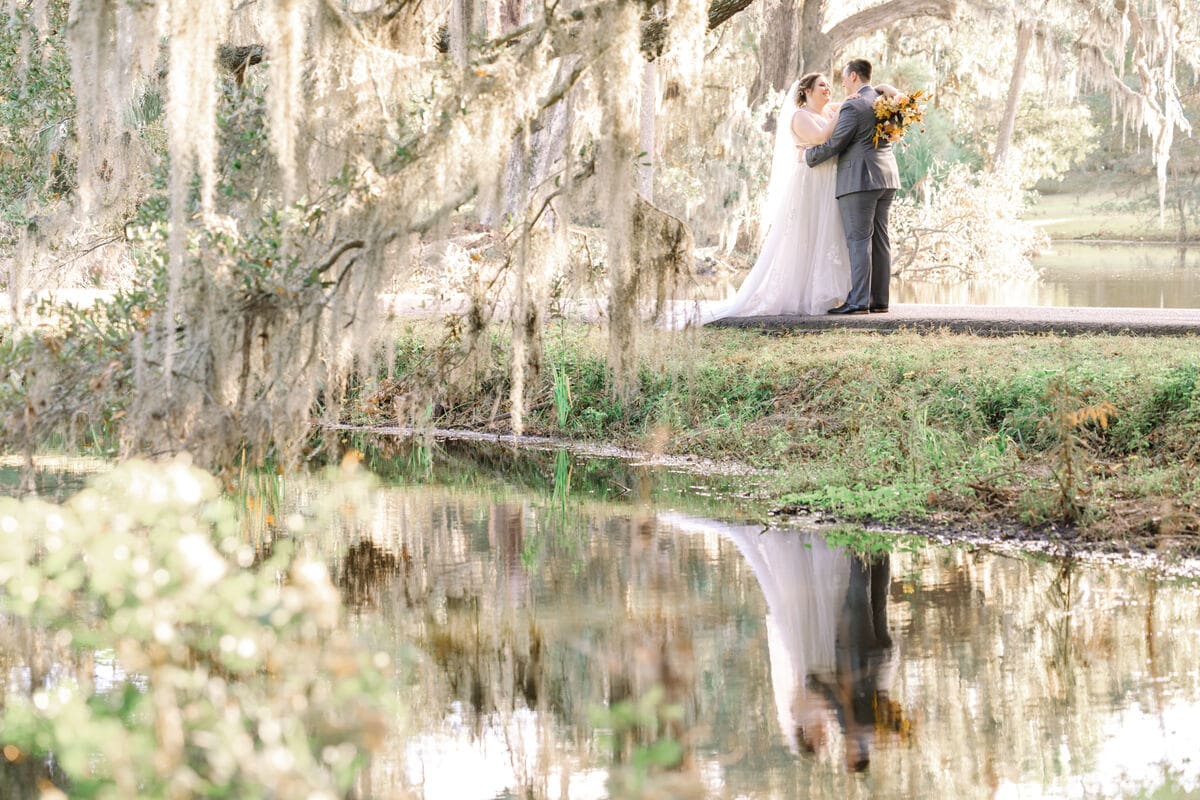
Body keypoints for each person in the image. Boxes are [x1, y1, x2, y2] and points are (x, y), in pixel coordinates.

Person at [804, 58, 901, 315]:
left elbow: (836, 143)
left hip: (860, 179)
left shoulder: (855, 106)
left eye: (845, 78)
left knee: (859, 240)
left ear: (855, 76)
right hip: (887, 177)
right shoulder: (884, 101)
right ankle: (879, 300)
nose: (843, 83)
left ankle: (859, 302)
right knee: (880, 239)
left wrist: (807, 156)